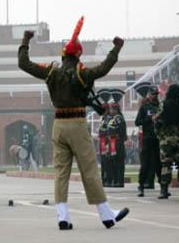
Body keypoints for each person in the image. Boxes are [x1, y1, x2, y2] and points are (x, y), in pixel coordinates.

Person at [18, 16, 129, 230]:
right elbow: (103, 69)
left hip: (58, 125)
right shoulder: (82, 73)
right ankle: (106, 214)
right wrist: (115, 49)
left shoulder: (51, 72)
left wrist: (25, 40)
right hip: (77, 123)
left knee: (61, 172)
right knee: (89, 169)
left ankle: (63, 217)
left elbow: (24, 63)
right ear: (78, 55)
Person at [154, 84, 179, 199]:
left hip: (166, 140)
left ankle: (164, 190)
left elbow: (157, 121)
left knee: (166, 165)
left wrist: (159, 135)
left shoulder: (164, 105)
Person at [135, 85, 161, 197]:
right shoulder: (145, 106)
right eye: (153, 94)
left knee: (159, 163)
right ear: (149, 94)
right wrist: (149, 119)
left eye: (156, 94)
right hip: (147, 137)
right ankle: (141, 186)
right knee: (145, 163)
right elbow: (137, 122)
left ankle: (163, 187)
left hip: (158, 137)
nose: (155, 96)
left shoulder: (161, 106)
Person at [107, 102, 127, 187]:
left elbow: (121, 130)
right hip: (112, 142)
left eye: (111, 109)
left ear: (115, 109)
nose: (110, 110)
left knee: (119, 162)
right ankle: (115, 180)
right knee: (113, 161)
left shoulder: (118, 118)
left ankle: (119, 181)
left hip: (118, 141)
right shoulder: (112, 118)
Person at [98, 104, 111, 187]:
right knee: (103, 161)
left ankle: (107, 179)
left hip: (107, 142)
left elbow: (108, 130)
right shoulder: (102, 118)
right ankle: (103, 178)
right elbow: (100, 129)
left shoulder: (109, 119)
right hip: (101, 142)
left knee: (107, 161)